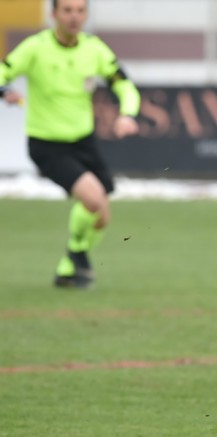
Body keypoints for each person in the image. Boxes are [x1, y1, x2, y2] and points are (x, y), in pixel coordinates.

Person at [0, 0, 141, 289]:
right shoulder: (35, 47)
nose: (74, 16)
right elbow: (3, 71)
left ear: (86, 14)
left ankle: (69, 267)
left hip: (83, 142)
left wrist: (127, 113)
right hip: (47, 144)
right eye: (67, 10)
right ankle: (77, 257)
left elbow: (124, 84)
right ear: (54, 14)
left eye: (79, 10)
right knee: (93, 200)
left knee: (102, 217)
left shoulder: (94, 49)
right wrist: (5, 90)